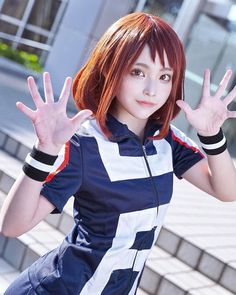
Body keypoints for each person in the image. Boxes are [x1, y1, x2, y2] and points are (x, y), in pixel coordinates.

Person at [1, 11, 236, 295]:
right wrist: (44, 151)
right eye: (138, 72)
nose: (151, 89)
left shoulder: (168, 141)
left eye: (164, 76)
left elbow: (226, 191)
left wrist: (211, 135)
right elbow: (12, 226)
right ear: (110, 69)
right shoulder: (84, 145)